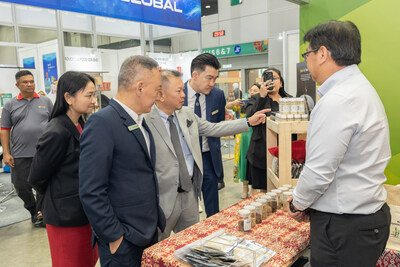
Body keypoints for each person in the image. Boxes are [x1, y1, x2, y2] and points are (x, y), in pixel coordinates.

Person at [287, 20, 391, 266]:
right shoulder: (359, 89)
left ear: (322, 53)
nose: (307, 61)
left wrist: (297, 203)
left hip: (345, 226)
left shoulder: (338, 99)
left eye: (307, 54)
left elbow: (319, 170)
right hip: (363, 219)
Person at [145, 70, 268, 240]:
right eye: (178, 91)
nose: (183, 94)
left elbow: (213, 128)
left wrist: (248, 122)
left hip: (189, 195)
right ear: (160, 95)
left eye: (183, 90)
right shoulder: (145, 121)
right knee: (158, 249)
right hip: (163, 200)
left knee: (191, 243)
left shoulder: (186, 114)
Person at [79, 56, 166, 267]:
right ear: (139, 87)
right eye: (157, 89)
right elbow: (91, 190)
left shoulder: (139, 121)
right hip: (124, 240)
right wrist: (115, 237)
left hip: (146, 231)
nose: (159, 96)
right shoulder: (102, 123)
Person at [28, 71, 99, 267]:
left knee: (87, 260)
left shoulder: (79, 124)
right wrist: (57, 196)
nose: (93, 101)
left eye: (94, 95)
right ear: (68, 97)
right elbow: (36, 176)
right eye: (88, 95)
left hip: (83, 211)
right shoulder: (57, 131)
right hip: (65, 216)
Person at [0, 70, 53, 226]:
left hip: (44, 153)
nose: (29, 84)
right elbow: (4, 129)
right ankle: (33, 209)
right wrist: (6, 153)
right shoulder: (10, 105)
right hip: (20, 153)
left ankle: (41, 213)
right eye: (25, 82)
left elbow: (55, 124)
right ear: (17, 85)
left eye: (31, 81)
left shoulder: (46, 101)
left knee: (45, 185)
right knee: (21, 186)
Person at [183, 53, 226, 217]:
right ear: (195, 75)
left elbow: (219, 127)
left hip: (209, 157)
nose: (212, 83)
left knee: (213, 210)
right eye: (209, 78)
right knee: (187, 209)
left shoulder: (217, 95)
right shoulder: (178, 94)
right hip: (185, 157)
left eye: (215, 78)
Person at [246, 68, 290, 194]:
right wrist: (261, 96)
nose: (272, 81)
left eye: (275, 78)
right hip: (261, 152)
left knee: (285, 188)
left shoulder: (289, 100)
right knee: (262, 192)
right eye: (267, 78)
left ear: (281, 83)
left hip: (286, 150)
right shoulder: (256, 98)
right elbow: (249, 119)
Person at [237, 84, 260, 198]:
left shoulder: (260, 103)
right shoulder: (245, 103)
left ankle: (254, 188)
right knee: (244, 161)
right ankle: (244, 188)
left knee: (253, 161)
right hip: (244, 134)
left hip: (255, 133)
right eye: (251, 90)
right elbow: (229, 108)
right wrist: (234, 104)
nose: (252, 92)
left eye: (255, 90)